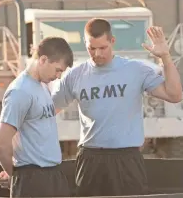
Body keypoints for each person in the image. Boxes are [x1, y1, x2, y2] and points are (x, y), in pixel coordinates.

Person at [51, 18, 182, 196]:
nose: (97, 53)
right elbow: (48, 113)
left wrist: (166, 57)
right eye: (92, 48)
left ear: (112, 41)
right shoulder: (75, 76)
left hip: (126, 159)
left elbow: (174, 95)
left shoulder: (135, 70)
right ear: (85, 44)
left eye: (102, 48)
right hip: (91, 159)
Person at [0, 37, 73, 197]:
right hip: (33, 180)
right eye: (57, 69)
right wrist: (14, 176)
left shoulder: (43, 86)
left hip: (53, 175)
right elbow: (1, 143)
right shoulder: (20, 91)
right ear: (43, 60)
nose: (58, 76)